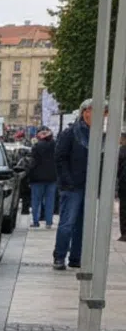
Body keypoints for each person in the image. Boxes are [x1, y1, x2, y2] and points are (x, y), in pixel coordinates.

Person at [55, 100, 100, 270]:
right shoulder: (71, 133)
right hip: (72, 186)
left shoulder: (97, 134)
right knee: (67, 223)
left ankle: (76, 257)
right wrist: (67, 180)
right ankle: (59, 256)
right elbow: (60, 157)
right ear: (84, 113)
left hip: (89, 186)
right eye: (92, 110)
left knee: (82, 225)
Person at [27, 126, 57, 229]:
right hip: (52, 177)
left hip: (37, 178)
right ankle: (48, 222)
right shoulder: (55, 145)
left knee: (36, 201)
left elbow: (32, 162)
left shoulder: (36, 146)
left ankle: (36, 221)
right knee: (50, 201)